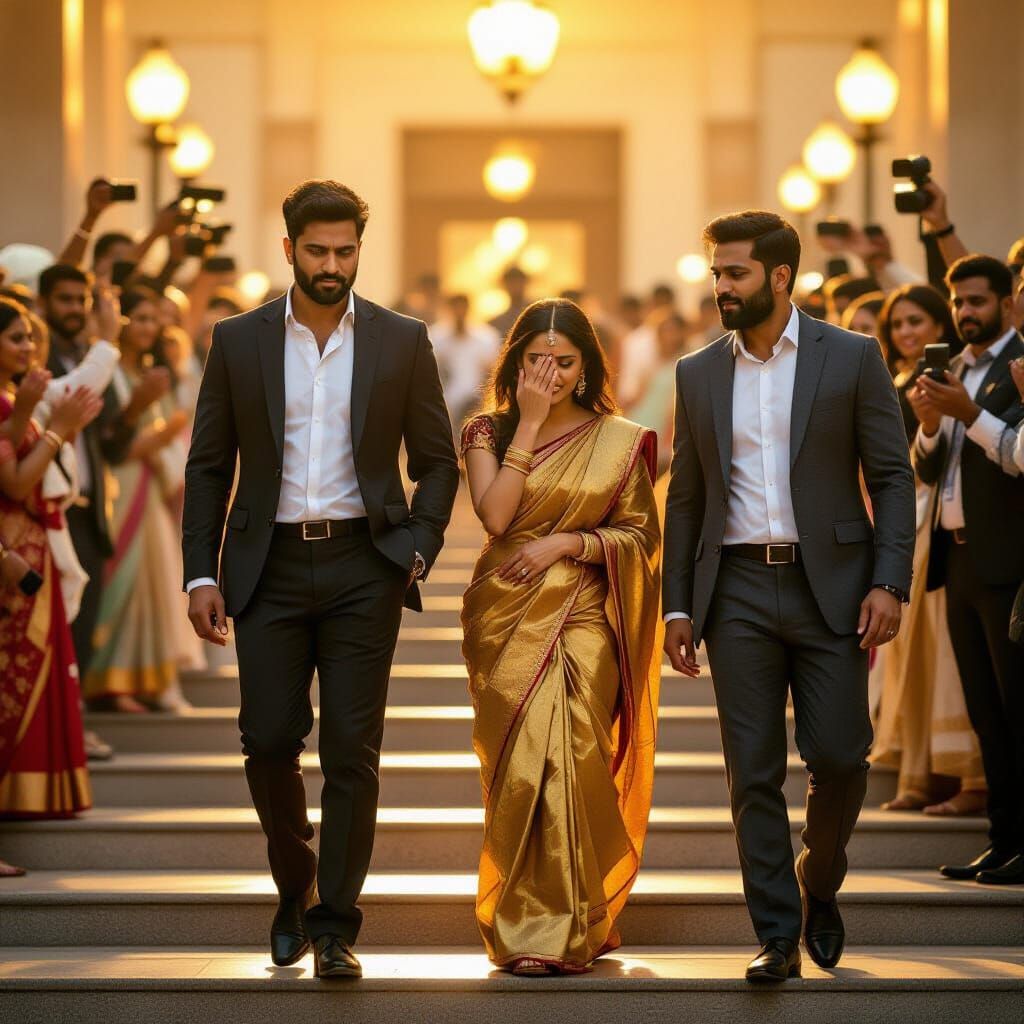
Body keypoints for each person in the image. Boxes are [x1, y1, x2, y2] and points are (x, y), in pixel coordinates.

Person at [182, 179, 459, 980]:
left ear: (359, 252)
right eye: (317, 252)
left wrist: (416, 547)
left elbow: (436, 463)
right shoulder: (237, 341)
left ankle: (336, 924)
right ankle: (294, 881)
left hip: (362, 568)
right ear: (289, 250)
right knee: (268, 740)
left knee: (351, 752)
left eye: (345, 252)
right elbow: (208, 467)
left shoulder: (402, 340)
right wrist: (202, 572)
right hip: (263, 566)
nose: (332, 265)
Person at [662, 211, 915, 982]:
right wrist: (678, 604)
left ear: (780, 276)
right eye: (715, 274)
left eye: (734, 273)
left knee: (841, 756)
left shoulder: (852, 357)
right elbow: (687, 499)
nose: (720, 288)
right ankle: (775, 933)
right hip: (734, 587)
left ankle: (818, 882)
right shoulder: (698, 372)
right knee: (753, 771)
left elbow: (893, 475)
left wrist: (889, 580)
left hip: (832, 590)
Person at [460, 298, 661, 975]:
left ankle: (572, 920)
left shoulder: (621, 439)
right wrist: (533, 424)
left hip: (583, 612)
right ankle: (525, 925)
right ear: (515, 364)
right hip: (506, 608)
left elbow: (640, 535)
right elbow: (495, 516)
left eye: (564, 362)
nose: (549, 373)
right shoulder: (486, 432)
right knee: (520, 770)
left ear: (587, 368)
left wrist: (567, 544)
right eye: (535, 360)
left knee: (574, 755)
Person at [908, 254, 1024, 886]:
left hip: (1010, 564)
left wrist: (968, 414)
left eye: (977, 301)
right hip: (959, 560)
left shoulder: (1019, 368)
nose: (965, 312)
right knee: (985, 713)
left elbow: (1016, 458)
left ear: (1007, 304)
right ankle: (1002, 841)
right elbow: (931, 468)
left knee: (1018, 710)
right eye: (958, 303)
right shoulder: (952, 368)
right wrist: (930, 426)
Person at [870, 285, 986, 816]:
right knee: (911, 652)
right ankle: (920, 773)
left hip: (955, 523)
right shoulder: (892, 385)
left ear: (942, 326)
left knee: (948, 653)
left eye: (917, 322)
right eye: (898, 325)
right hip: (910, 525)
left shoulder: (966, 379)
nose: (907, 333)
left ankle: (971, 777)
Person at [37, 264, 169, 677]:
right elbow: (71, 395)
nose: (76, 308)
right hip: (52, 506)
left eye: (82, 299)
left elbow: (111, 443)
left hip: (91, 508)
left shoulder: (84, 356)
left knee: (85, 619)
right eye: (65, 299)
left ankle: (74, 724)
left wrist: (137, 408)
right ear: (42, 304)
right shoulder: (41, 357)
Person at [0, 297, 102, 821]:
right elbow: (15, 482)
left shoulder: (9, 399)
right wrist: (58, 427)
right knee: (12, 688)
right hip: (11, 560)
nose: (28, 346)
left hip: (29, 552)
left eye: (29, 338)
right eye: (16, 337)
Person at [81, 288, 200, 712]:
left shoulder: (153, 372)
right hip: (121, 484)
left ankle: (149, 677)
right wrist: (160, 436)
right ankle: (108, 680)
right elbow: (111, 446)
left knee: (154, 580)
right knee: (122, 581)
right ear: (122, 321)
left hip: (149, 487)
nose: (149, 327)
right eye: (141, 318)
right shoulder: (109, 372)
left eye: (155, 320)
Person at [429, 294, 500, 434]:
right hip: (445, 403)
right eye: (456, 308)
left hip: (478, 401)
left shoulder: (486, 337)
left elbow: (494, 370)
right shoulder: (436, 336)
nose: (459, 312)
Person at [487, 265, 530, 338]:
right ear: (505, 285)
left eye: (518, 281)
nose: (515, 286)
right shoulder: (497, 323)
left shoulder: (539, 312)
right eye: (511, 282)